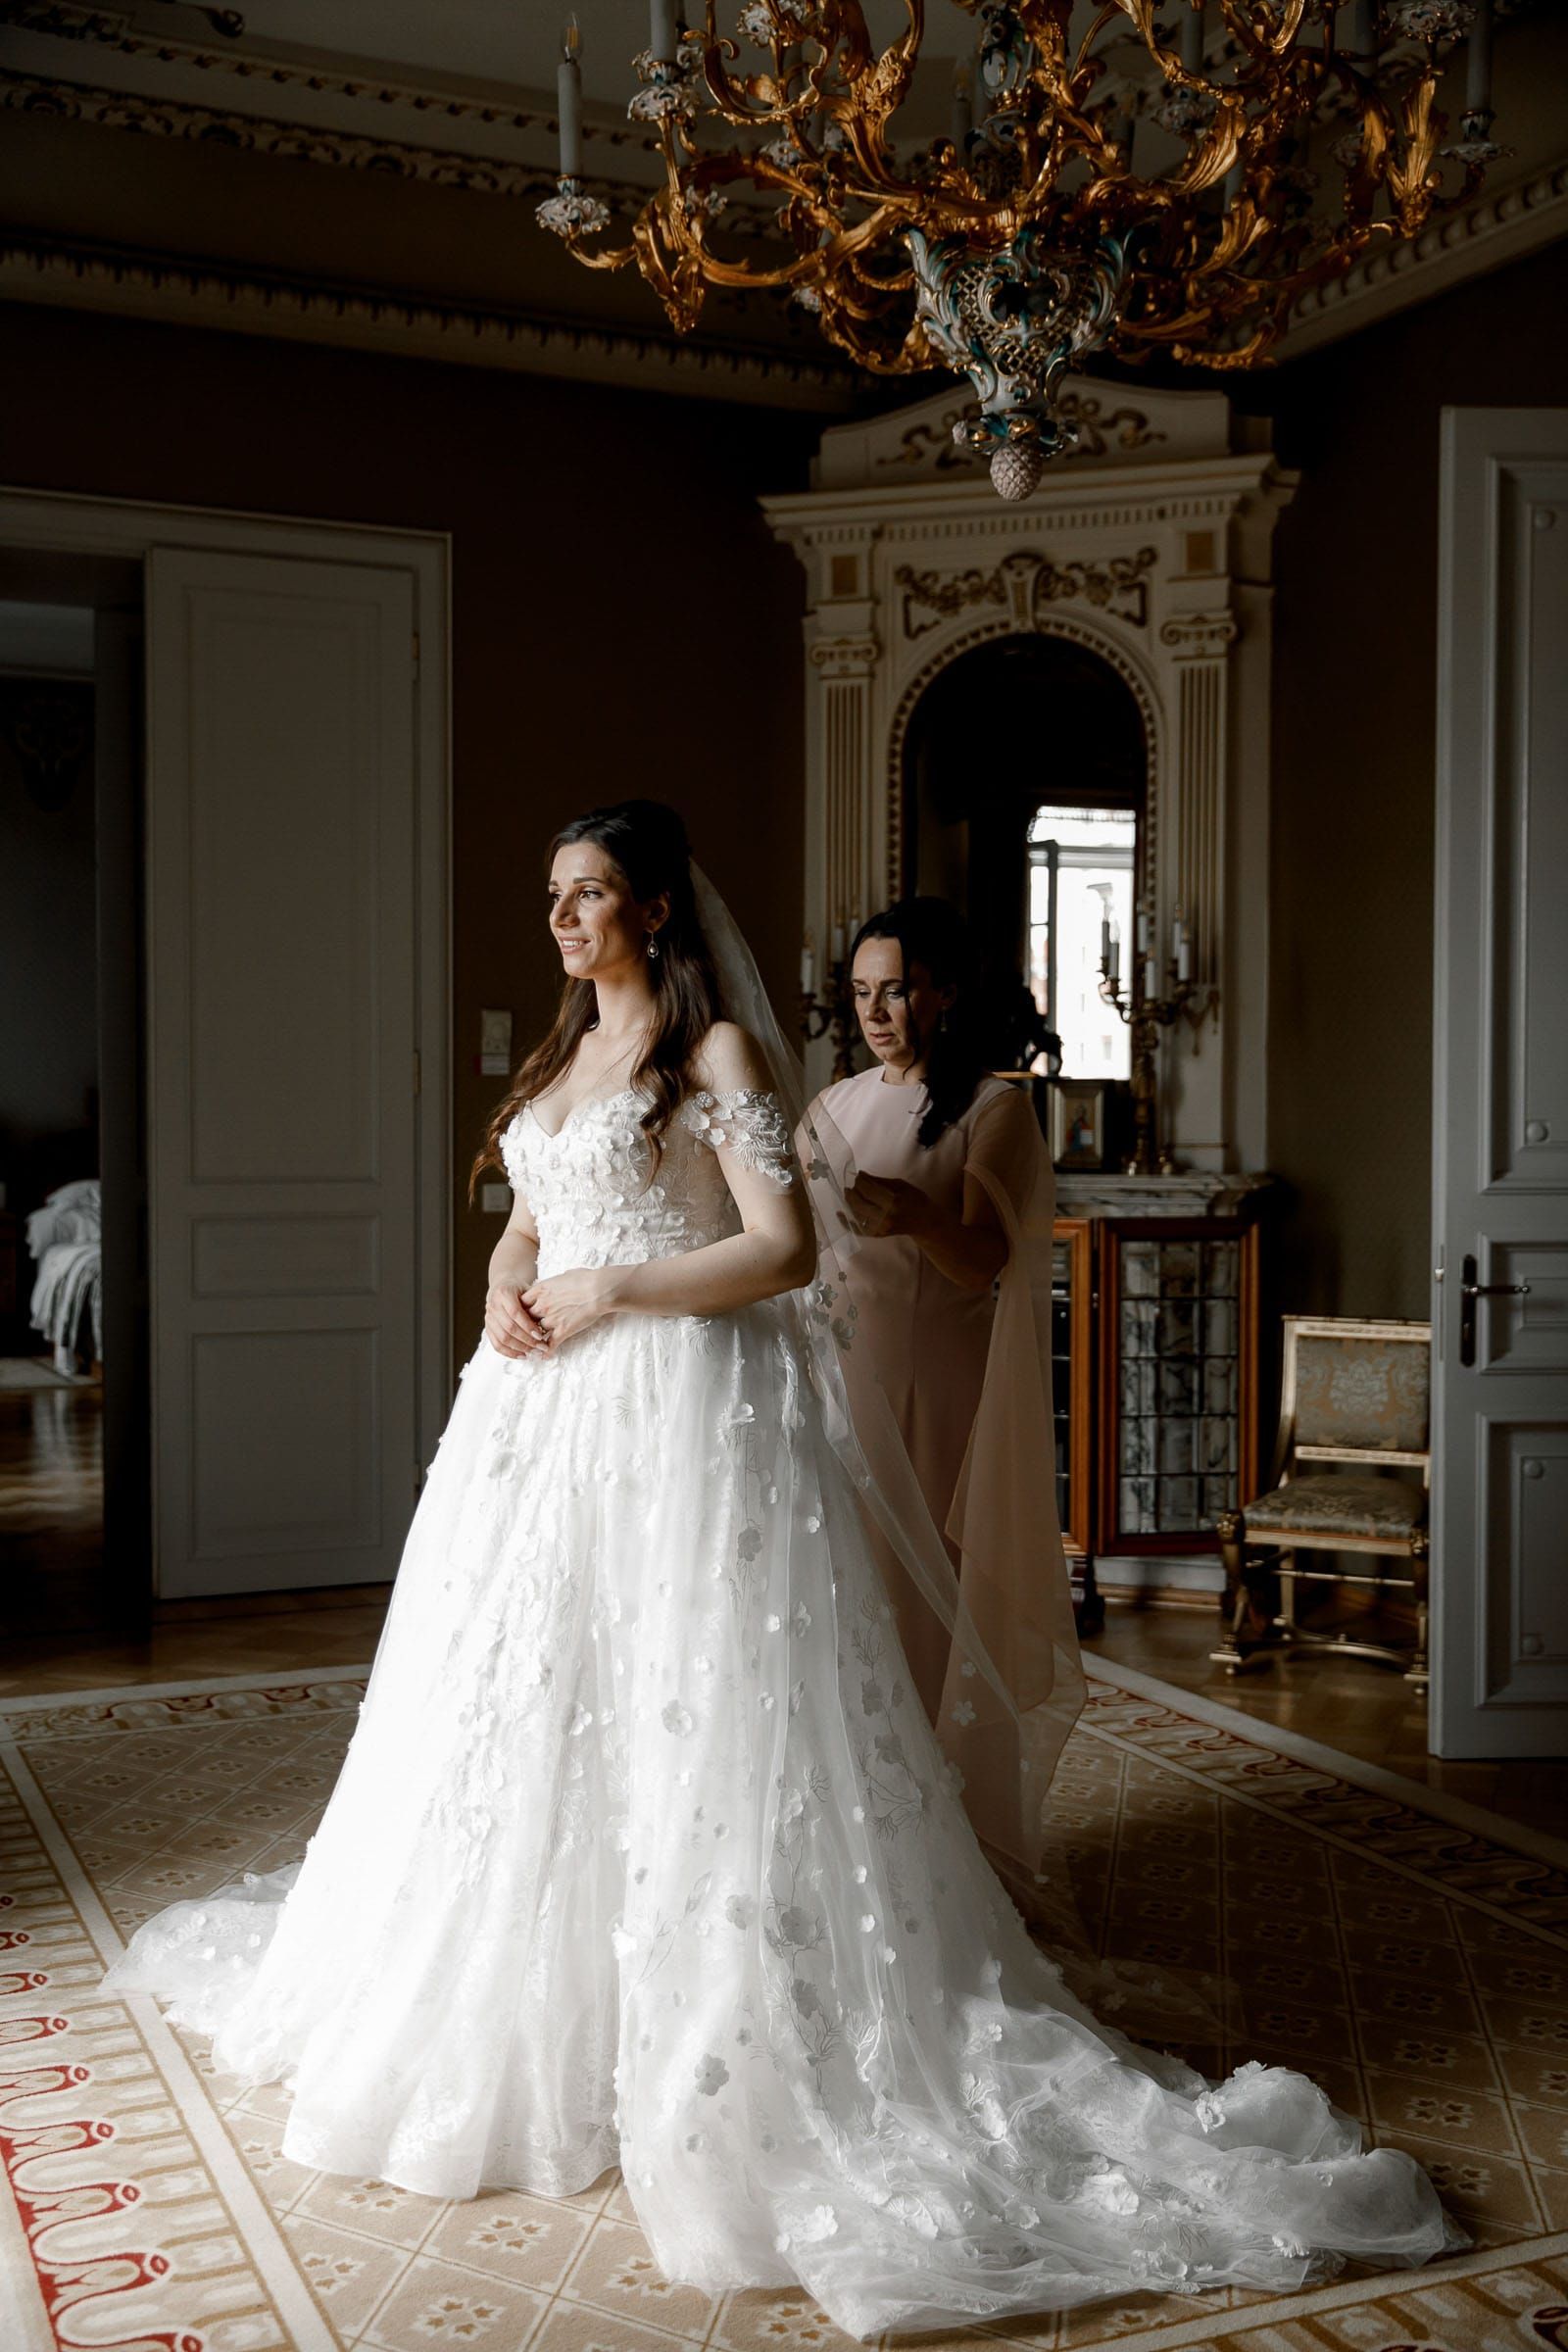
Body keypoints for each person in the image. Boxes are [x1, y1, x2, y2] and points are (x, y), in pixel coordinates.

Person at [103, 802, 1459, 2339]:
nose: (560, 918)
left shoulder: (724, 1063)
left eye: (590, 892)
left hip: (681, 1407)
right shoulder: (557, 1062)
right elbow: (527, 1218)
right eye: (552, 893)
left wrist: (608, 1286)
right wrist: (503, 1291)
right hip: (538, 1418)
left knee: (698, 1699)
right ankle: (536, 1996)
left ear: (659, 908)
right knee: (523, 1694)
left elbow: (783, 1253)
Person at [808, 900, 1083, 1902]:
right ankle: (853, 1830)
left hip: (938, 1392)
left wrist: (920, 1216)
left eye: (898, 990)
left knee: (923, 1606)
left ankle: (943, 1848)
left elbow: (985, 1263)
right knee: (843, 1602)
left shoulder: (991, 1108)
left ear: (944, 993)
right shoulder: (830, 1109)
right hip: (840, 1382)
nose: (878, 1011)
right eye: (863, 992)